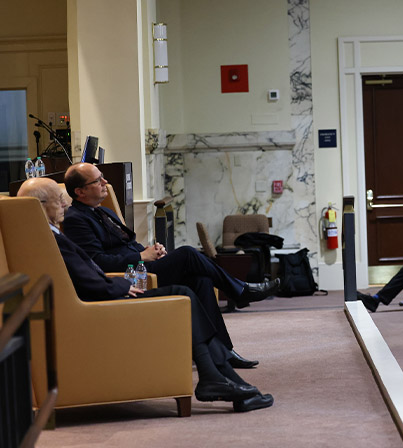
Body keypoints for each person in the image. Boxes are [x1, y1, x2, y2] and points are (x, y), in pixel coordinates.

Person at [18, 177, 273, 413]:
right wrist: (120, 285)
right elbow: (87, 276)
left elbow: (90, 268)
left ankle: (219, 376)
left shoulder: (52, 233)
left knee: (197, 283)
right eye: (58, 198)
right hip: (105, 302)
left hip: (109, 293)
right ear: (37, 205)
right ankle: (220, 373)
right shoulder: (51, 238)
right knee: (186, 277)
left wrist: (147, 252)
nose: (64, 203)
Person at [61, 162, 270, 368]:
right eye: (98, 180)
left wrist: (153, 250)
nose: (105, 181)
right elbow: (97, 263)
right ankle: (240, 291)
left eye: (103, 177)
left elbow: (129, 244)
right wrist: (142, 256)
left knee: (201, 279)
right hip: (129, 278)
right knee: (188, 253)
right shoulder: (76, 219)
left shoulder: (104, 211)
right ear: (80, 191)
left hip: (139, 266)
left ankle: (223, 351)